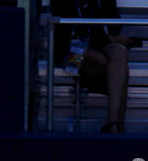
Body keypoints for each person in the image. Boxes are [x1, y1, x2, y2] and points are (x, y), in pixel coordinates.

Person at [52, 0, 131, 133]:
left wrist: (109, 38)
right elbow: (69, 34)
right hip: (69, 55)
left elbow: (115, 27)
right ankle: (118, 127)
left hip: (97, 47)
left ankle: (112, 123)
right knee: (119, 70)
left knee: (120, 52)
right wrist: (108, 39)